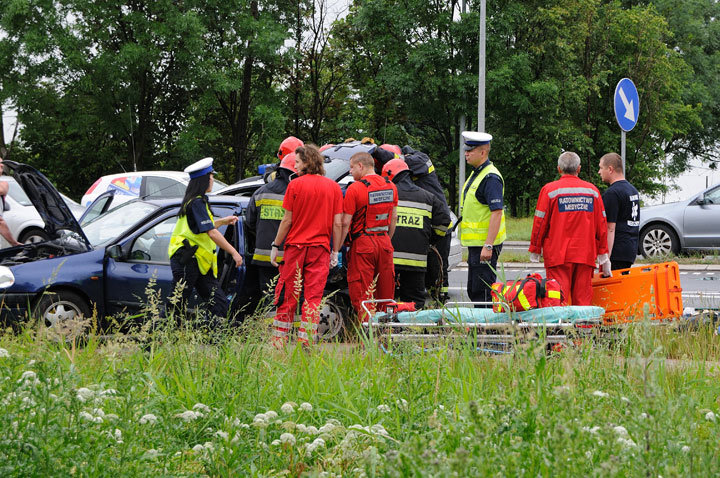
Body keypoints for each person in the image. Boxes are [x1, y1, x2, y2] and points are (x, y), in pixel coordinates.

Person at [270, 145, 343, 347]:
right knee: (313, 297)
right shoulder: (334, 188)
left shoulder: (295, 185)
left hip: (295, 248)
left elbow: (287, 221)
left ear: (307, 162)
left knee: (289, 295)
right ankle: (307, 342)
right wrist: (335, 251)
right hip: (320, 249)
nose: (294, 166)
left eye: (297, 162)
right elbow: (338, 223)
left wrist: (276, 245)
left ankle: (279, 342)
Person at [529, 151, 610, 305]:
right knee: (583, 297)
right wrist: (602, 253)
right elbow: (602, 225)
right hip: (585, 253)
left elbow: (540, 223)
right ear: (578, 169)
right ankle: (584, 327)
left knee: (558, 297)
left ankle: (561, 328)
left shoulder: (549, 190)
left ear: (559, 169)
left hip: (557, 254)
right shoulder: (592, 191)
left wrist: (535, 248)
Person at [167, 157, 243, 321]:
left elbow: (201, 228)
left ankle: (221, 336)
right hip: (187, 260)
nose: (213, 180)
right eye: (211, 176)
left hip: (199, 262)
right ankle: (156, 338)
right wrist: (234, 253)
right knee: (175, 305)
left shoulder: (197, 201)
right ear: (204, 179)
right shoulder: (196, 202)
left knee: (218, 302)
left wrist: (223, 221)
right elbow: (211, 232)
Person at [376, 144, 453, 302]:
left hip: (393, 257)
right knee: (415, 300)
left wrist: (374, 149)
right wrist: (429, 240)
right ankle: (432, 305)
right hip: (417, 258)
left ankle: (439, 294)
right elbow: (444, 218)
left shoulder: (419, 160)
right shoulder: (424, 195)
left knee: (387, 300)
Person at [336, 152, 398, 322]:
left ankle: (368, 337)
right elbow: (393, 218)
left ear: (361, 166)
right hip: (384, 243)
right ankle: (385, 337)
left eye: (351, 167)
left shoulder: (355, 188)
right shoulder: (390, 185)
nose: (350, 172)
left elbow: (345, 223)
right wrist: (387, 239)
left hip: (363, 244)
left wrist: (336, 250)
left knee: (363, 293)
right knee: (385, 294)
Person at [459, 132, 506, 307]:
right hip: (477, 244)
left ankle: (487, 330)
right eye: (466, 150)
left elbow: (497, 212)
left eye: (470, 151)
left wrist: (488, 245)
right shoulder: (478, 173)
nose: (466, 154)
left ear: (483, 152)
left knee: (483, 292)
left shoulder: (490, 177)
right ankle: (482, 328)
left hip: (484, 245)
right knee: (475, 289)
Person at [245, 152, 297, 304]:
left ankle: (270, 327)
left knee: (269, 299)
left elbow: (249, 222)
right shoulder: (295, 193)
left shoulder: (260, 193)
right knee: (290, 299)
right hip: (290, 257)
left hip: (264, 257)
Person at [598, 152, 640, 270]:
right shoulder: (633, 190)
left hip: (616, 251)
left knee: (610, 287)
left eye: (601, 168)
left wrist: (606, 258)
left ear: (610, 169)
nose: (599, 172)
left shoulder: (612, 194)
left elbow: (610, 228)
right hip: (630, 249)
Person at [0, 157, 22, 247]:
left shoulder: (4, 184)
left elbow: (2, 189)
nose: (1, 165)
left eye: (2, 163)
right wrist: (14, 243)